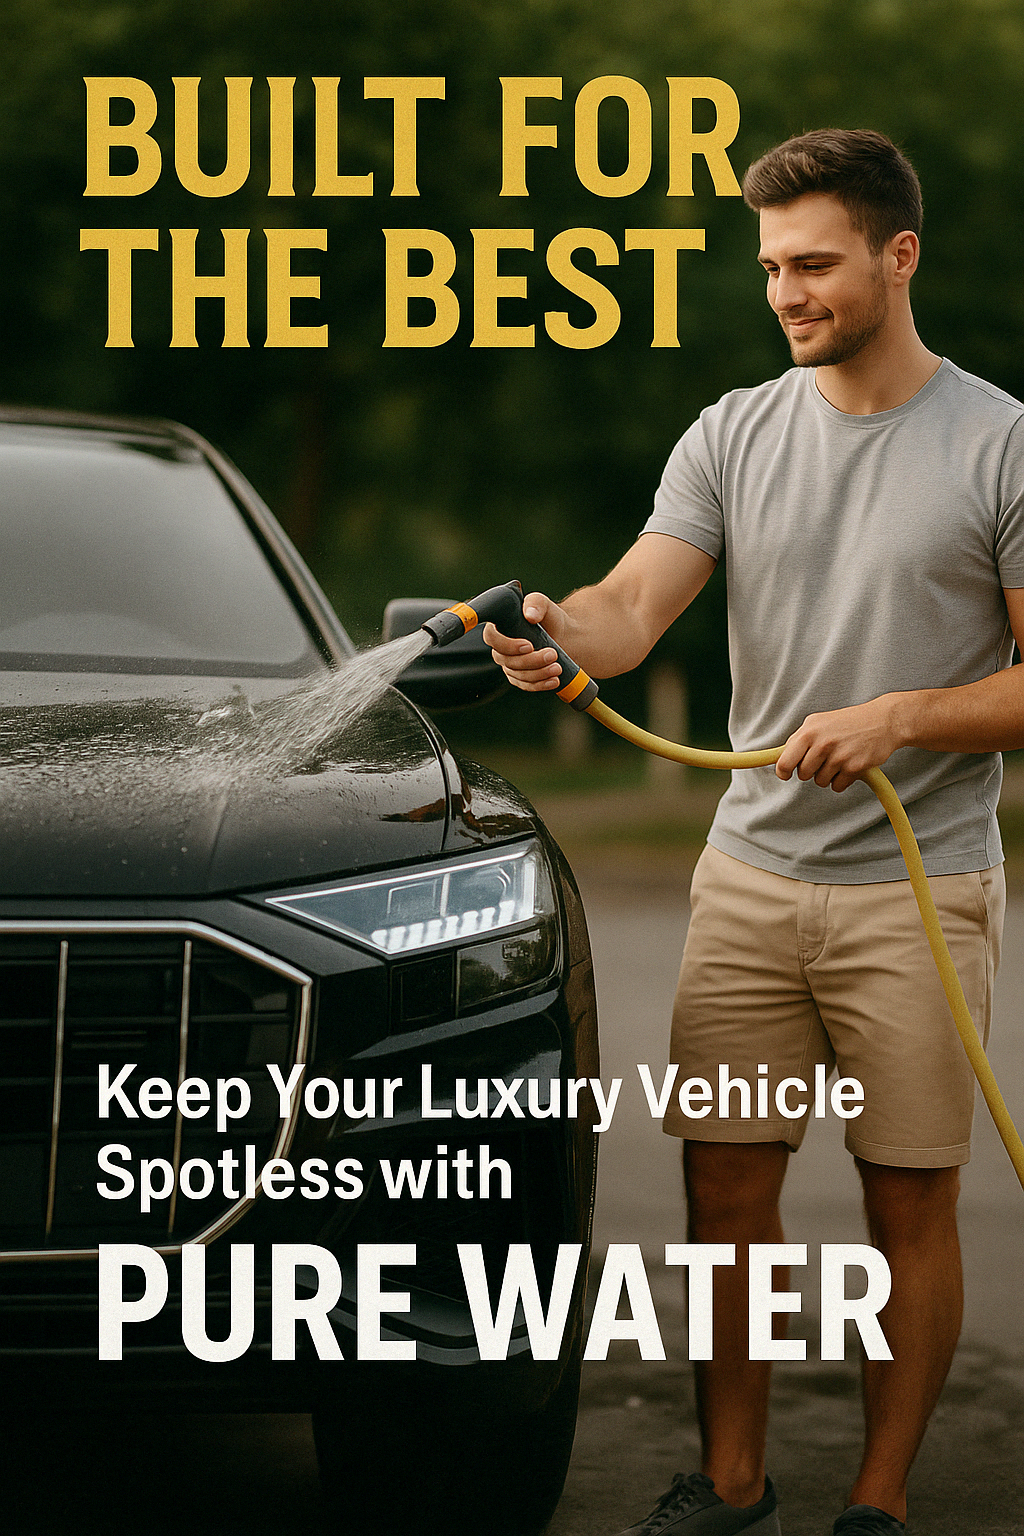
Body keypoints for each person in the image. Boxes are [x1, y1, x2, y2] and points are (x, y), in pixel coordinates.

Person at [484, 129, 1024, 1536]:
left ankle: (883, 1505)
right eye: (772, 266)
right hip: (747, 883)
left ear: (899, 256)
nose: (786, 291)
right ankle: (730, 1485)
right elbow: (631, 604)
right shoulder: (733, 429)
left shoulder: (1003, 442)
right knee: (727, 1201)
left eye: (815, 262)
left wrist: (902, 715)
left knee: (908, 1207)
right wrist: (557, 634)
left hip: (923, 886)